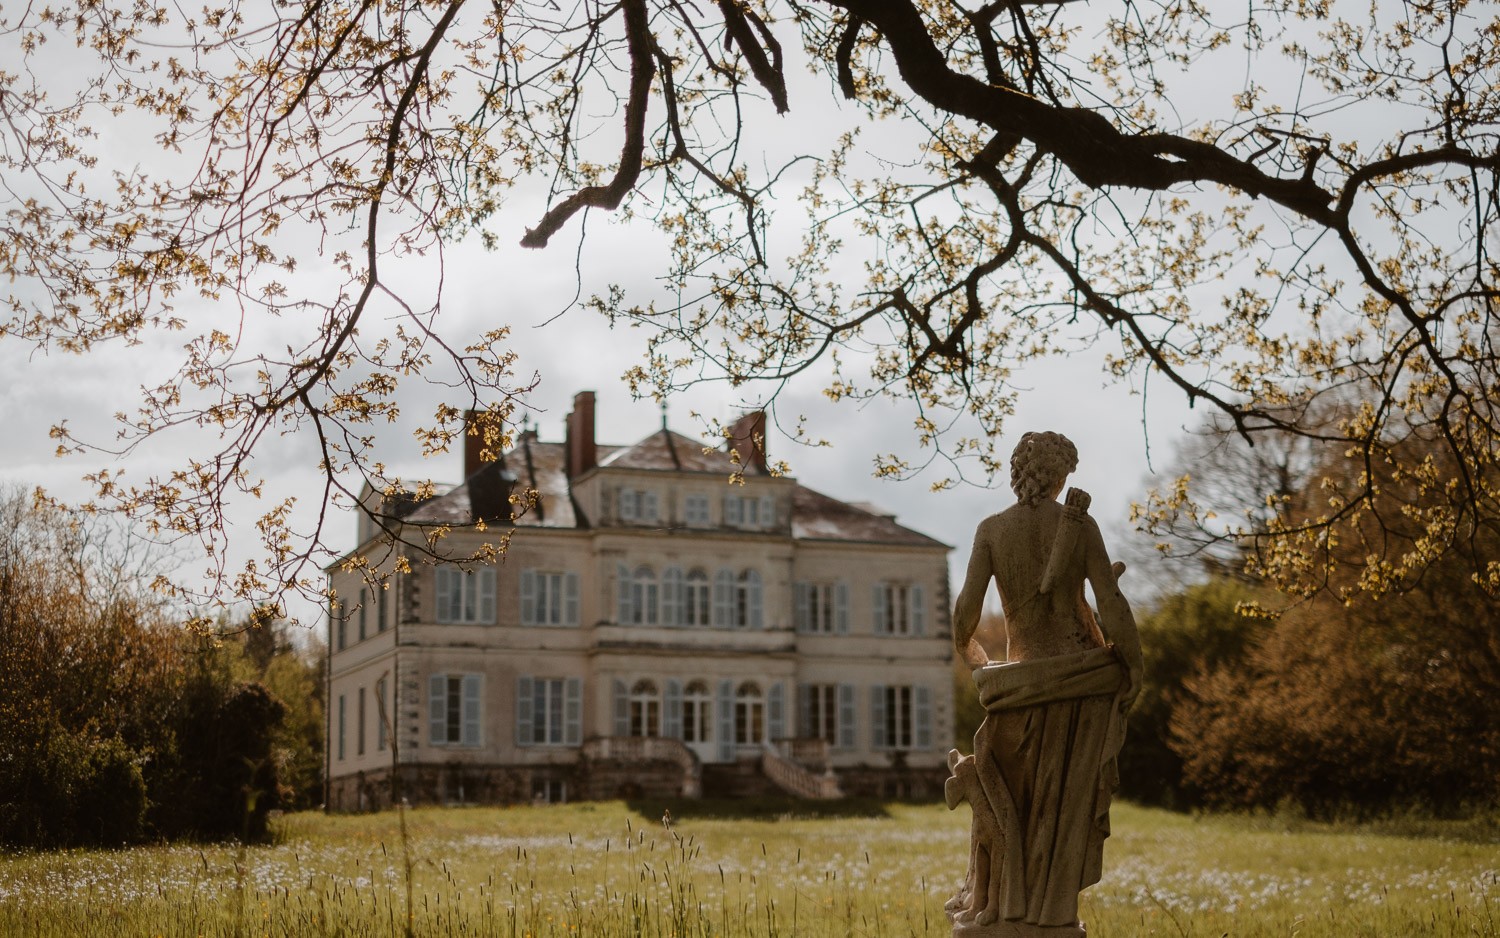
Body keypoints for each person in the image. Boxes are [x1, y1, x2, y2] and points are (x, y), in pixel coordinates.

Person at [947, 431, 1143, 935]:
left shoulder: (992, 530)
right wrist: (1133, 665)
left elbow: (964, 617)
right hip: (1082, 684)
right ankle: (1052, 917)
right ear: (1060, 476)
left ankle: (1009, 911)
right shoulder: (1080, 525)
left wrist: (983, 665)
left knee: (1016, 804)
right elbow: (1111, 604)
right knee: (1064, 812)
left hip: (1017, 690)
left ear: (1018, 474)